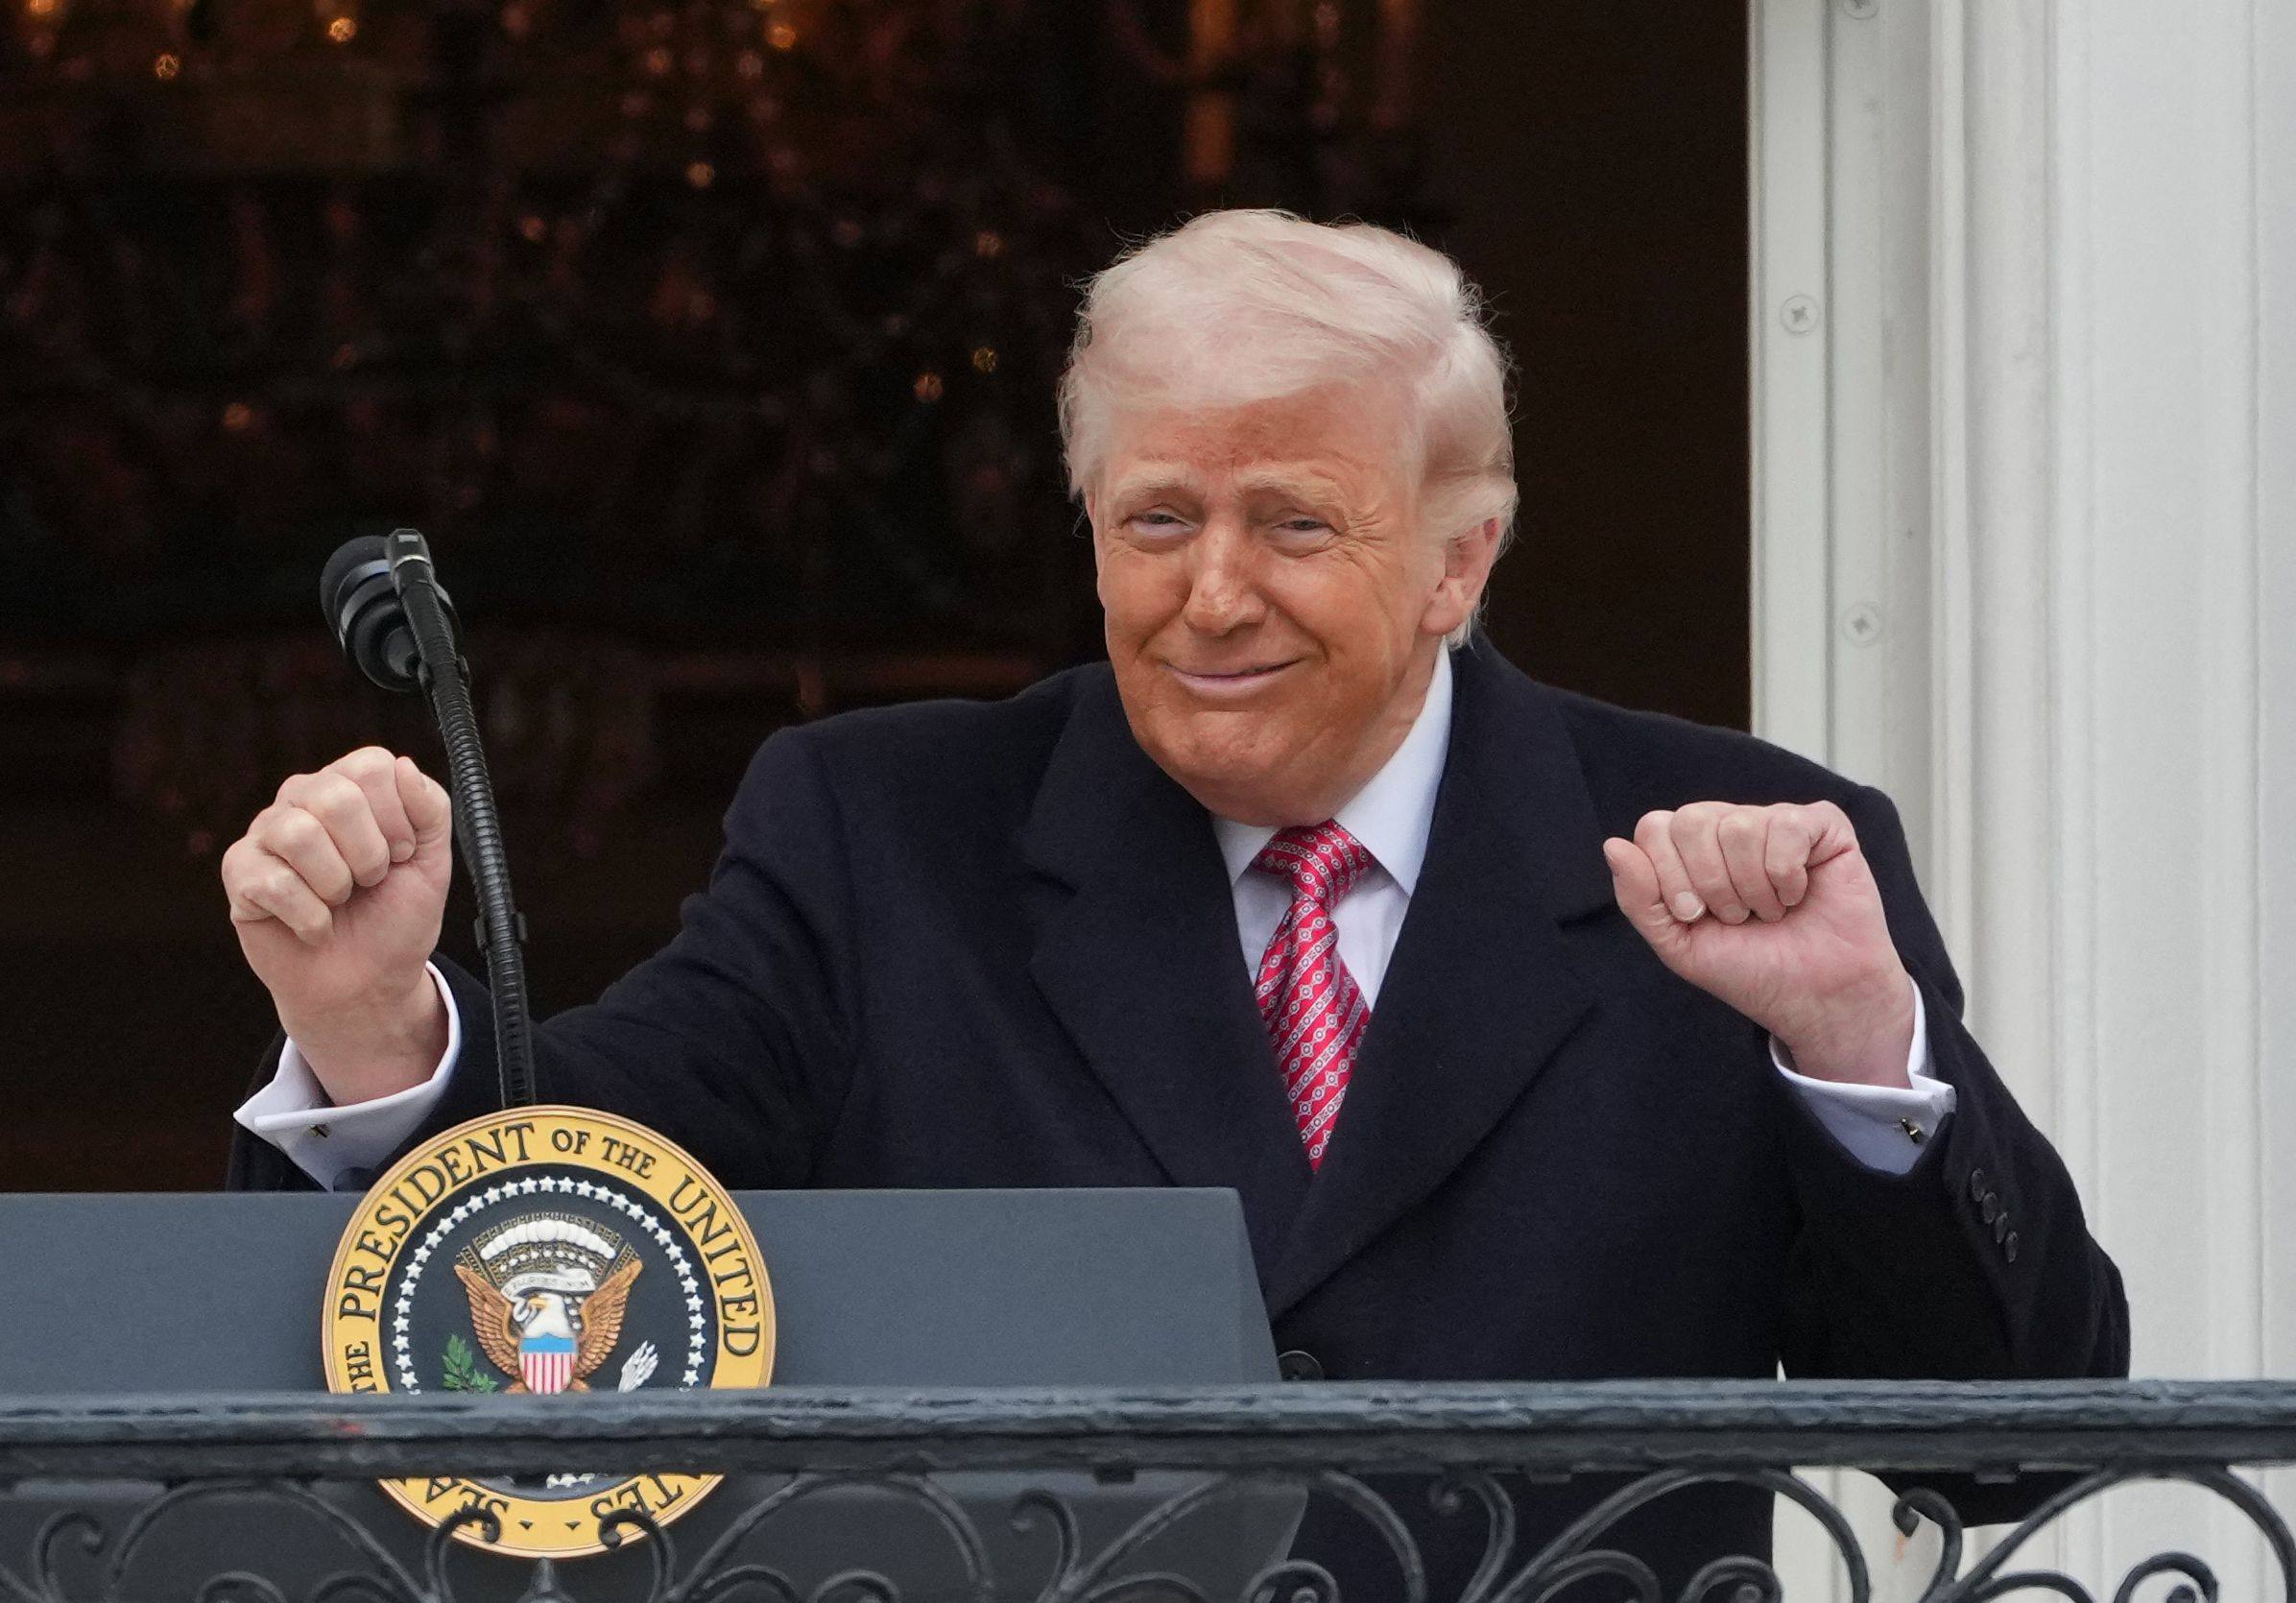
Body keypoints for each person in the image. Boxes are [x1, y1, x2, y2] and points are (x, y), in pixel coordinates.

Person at [224, 210, 2127, 1595]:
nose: (1209, 595)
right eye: (1155, 520)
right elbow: (566, 1220)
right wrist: (374, 1029)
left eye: (1293, 522)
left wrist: (1854, 1048)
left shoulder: (1747, 845)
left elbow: (2005, 1437)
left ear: (1461, 557)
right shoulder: (883, 830)